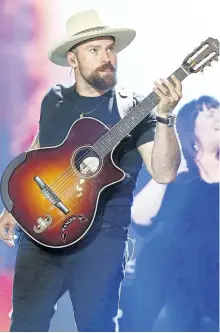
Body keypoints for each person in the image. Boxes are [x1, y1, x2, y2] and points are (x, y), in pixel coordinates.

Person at [0, 9, 183, 332]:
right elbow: (41, 151)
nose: (107, 57)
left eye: (110, 48)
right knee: (25, 325)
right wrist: (16, 204)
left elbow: (164, 172)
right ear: (73, 60)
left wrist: (166, 117)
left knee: (96, 327)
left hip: (103, 240)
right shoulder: (53, 101)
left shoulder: (134, 108)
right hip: (41, 234)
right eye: (95, 50)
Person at [131, 96, 219, 331]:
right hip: (169, 281)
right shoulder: (174, 168)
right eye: (209, 113)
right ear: (191, 126)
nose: (218, 117)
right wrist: (169, 173)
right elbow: (140, 217)